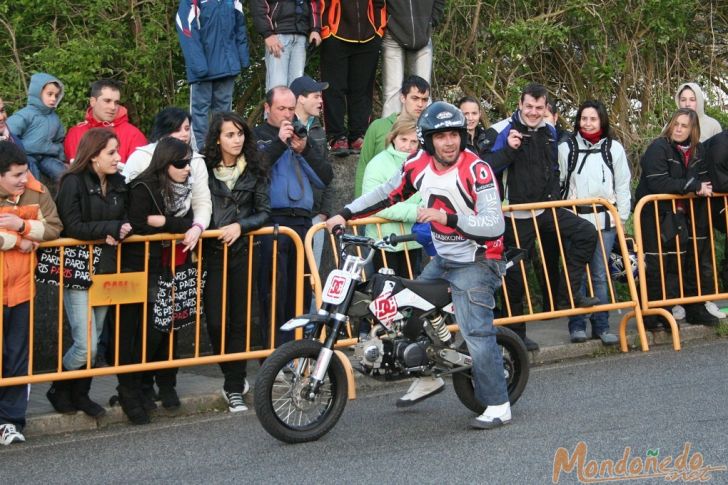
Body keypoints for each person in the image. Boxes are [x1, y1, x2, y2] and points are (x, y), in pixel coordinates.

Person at [326, 101, 521, 429]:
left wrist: (446, 217)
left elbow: (494, 224)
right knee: (409, 312)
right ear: (428, 140)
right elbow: (387, 193)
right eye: (441, 136)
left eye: (454, 134)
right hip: (443, 259)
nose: (449, 142)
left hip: (478, 260)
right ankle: (430, 376)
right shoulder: (418, 164)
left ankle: (499, 405)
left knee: (475, 329)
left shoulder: (477, 169)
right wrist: (345, 213)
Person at [484, 83, 600, 352]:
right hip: (514, 214)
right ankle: (517, 335)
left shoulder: (549, 131)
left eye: (539, 107)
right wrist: (509, 150)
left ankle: (569, 293)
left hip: (546, 210)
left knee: (586, 233)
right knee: (516, 275)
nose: (534, 112)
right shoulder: (503, 130)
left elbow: (553, 168)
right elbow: (484, 167)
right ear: (520, 104)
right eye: (529, 107)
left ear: (546, 107)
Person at [124, 107, 212, 409]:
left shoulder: (192, 168)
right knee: (150, 326)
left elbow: (198, 206)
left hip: (179, 256)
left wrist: (193, 226)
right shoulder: (142, 168)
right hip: (149, 262)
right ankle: (143, 385)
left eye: (188, 128)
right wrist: (172, 225)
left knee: (175, 322)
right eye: (177, 129)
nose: (184, 134)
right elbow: (139, 218)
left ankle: (167, 382)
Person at [46, 129, 130, 417]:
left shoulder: (119, 182)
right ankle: (59, 387)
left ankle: (80, 393)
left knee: (94, 346)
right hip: (79, 268)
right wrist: (109, 229)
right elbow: (71, 226)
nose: (118, 158)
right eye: (111, 152)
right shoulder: (72, 182)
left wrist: (123, 228)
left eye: (117, 151)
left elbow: (126, 217)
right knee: (86, 345)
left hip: (106, 268)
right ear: (93, 156)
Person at [117, 137, 196, 425]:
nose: (187, 169)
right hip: (140, 269)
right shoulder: (142, 186)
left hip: (165, 268)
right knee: (137, 334)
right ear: (165, 163)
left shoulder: (181, 189)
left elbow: (188, 222)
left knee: (162, 329)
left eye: (188, 162)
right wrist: (168, 226)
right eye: (181, 163)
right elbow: (137, 224)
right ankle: (133, 390)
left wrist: (164, 223)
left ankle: (148, 387)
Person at [202, 112, 270, 413]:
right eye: (230, 134)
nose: (237, 139)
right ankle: (231, 373)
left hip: (244, 251)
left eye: (240, 133)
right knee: (216, 321)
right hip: (213, 254)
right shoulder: (202, 168)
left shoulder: (254, 169)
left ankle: (234, 384)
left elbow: (265, 211)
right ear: (218, 137)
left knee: (240, 321)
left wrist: (241, 226)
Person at [255, 86, 332, 347]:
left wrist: (305, 149)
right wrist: (279, 142)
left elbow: (325, 178)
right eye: (281, 109)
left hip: (302, 223)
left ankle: (295, 350)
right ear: (267, 109)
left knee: (299, 290)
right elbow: (257, 168)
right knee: (274, 291)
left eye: (291, 109)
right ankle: (272, 352)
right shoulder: (258, 136)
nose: (288, 115)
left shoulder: (300, 137)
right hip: (272, 223)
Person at [0, 140, 62, 445]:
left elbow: (53, 228)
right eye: (16, 175)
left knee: (16, 357)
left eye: (25, 172)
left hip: (22, 288)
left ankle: (11, 421)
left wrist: (21, 227)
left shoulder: (36, 189)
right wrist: (19, 241)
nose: (23, 179)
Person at [635, 108, 718, 330]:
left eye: (684, 125)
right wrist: (693, 187)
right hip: (654, 213)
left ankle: (691, 308)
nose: (679, 129)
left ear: (693, 130)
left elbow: (704, 178)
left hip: (680, 214)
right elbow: (658, 182)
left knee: (683, 261)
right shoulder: (658, 147)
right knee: (657, 262)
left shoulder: (698, 150)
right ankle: (652, 315)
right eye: (676, 124)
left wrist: (700, 186)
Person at [558, 100, 631, 345]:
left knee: (601, 275)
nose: (587, 123)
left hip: (604, 221)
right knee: (575, 274)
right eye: (583, 118)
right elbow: (560, 185)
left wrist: (620, 219)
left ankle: (602, 325)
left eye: (593, 119)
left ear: (602, 120)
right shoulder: (566, 148)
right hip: (576, 221)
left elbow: (622, 185)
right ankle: (576, 326)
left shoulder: (614, 149)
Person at [176, 0, 250, 151]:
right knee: (199, 116)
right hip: (203, 69)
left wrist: (242, 57)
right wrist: (199, 65)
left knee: (224, 116)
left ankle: (222, 153)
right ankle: (200, 155)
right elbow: (187, 29)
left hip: (227, 66)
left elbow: (240, 26)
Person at [319, 0, 386, 155]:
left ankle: (358, 135)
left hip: (369, 36)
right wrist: (326, 29)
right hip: (334, 34)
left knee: (362, 89)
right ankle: (336, 136)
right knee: (333, 88)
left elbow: (380, 3)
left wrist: (378, 30)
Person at [361, 116, 422, 277]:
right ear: (393, 137)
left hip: (413, 241)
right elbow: (375, 205)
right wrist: (418, 212)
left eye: (413, 142)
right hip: (384, 243)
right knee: (385, 296)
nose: (408, 146)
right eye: (403, 139)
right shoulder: (377, 164)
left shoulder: (422, 164)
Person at [289, 76, 334, 283]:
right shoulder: (283, 128)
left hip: (315, 216)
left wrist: (325, 211)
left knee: (312, 278)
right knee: (289, 277)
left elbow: (327, 170)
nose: (321, 101)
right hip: (289, 216)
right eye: (316, 96)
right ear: (300, 99)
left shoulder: (319, 130)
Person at [355, 75, 430, 196]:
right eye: (415, 98)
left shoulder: (429, 131)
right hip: (377, 203)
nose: (420, 104)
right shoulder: (378, 126)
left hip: (415, 205)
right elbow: (363, 166)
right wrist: (358, 208)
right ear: (403, 98)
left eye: (424, 99)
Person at [380, 0, 444, 117]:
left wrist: (431, 20)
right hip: (392, 34)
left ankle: (425, 133)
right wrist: (386, 21)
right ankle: (390, 133)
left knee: (424, 91)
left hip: (423, 35)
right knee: (393, 92)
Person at [64, 79, 147, 167]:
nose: (113, 107)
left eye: (116, 102)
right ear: (93, 102)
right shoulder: (74, 133)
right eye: (107, 101)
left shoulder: (134, 135)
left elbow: (141, 176)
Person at [6, 73, 67, 181]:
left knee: (63, 174)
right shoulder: (26, 114)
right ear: (37, 93)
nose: (53, 98)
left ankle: (65, 196)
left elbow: (59, 140)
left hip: (47, 156)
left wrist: (62, 158)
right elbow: (9, 132)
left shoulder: (55, 119)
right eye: (50, 94)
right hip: (27, 155)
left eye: (56, 95)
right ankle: (34, 196)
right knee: (33, 176)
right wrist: (16, 155)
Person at [251, 0, 321, 91]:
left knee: (297, 89)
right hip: (277, 36)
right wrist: (267, 33)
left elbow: (314, 3)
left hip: (301, 35)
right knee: (277, 88)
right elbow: (258, 3)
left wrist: (315, 29)